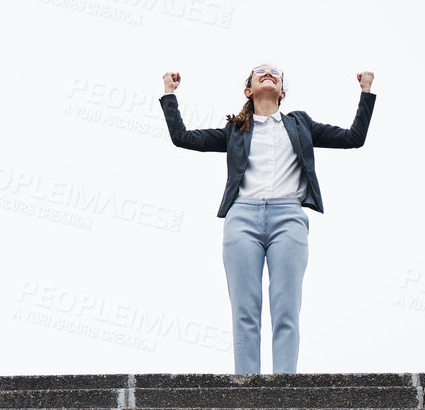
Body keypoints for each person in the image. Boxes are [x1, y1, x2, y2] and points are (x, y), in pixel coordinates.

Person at [160, 64, 376, 374]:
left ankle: (284, 385)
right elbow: (182, 137)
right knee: (245, 310)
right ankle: (247, 387)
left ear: (283, 92)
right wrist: (170, 94)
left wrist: (365, 91)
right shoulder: (235, 130)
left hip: (288, 217)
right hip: (242, 218)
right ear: (248, 90)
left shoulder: (300, 124)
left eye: (275, 73)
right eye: (260, 71)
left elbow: (353, 137)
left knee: (286, 307)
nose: (268, 73)